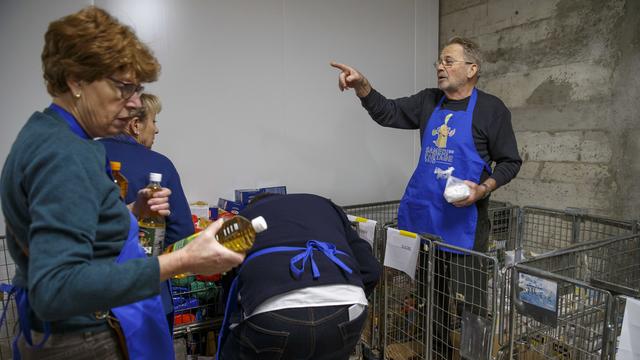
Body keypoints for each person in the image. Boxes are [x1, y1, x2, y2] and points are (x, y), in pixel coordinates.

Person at [0, 7, 244, 360]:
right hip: (81, 340)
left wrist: (131, 211)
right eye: (123, 88)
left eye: (138, 89)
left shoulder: (44, 133)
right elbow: (55, 289)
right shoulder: (68, 154)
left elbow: (71, 226)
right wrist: (183, 261)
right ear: (75, 80)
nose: (134, 105)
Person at [331, 37, 521, 357]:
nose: (440, 67)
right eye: (439, 62)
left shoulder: (491, 109)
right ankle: (437, 353)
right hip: (426, 219)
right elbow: (387, 112)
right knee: (430, 297)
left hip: (465, 225)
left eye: (449, 61)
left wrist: (483, 188)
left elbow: (510, 162)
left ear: (472, 69)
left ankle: (474, 355)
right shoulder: (428, 101)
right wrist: (362, 86)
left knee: (471, 300)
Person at [218, 193, 381, 360]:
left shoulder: (242, 220)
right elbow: (372, 270)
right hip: (347, 308)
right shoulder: (326, 206)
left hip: (271, 315)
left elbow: (229, 284)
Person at [100, 93, 194, 244]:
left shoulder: (85, 154)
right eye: (153, 121)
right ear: (136, 125)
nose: (156, 130)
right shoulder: (160, 165)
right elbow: (182, 233)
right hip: (141, 262)